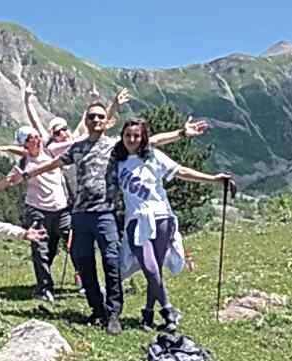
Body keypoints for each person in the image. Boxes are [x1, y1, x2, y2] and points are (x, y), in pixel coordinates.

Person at [12, 100, 127, 335]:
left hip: (105, 213)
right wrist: (29, 174)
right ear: (86, 121)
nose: (96, 120)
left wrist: (181, 133)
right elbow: (54, 163)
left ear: (107, 121)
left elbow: (146, 142)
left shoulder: (115, 146)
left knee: (111, 261)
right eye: (91, 117)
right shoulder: (77, 147)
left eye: (100, 117)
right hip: (80, 215)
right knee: (84, 263)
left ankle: (114, 313)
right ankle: (97, 310)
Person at [113, 118, 233, 332]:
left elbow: (181, 171)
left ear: (143, 137)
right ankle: (168, 311)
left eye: (137, 135)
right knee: (150, 267)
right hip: (136, 220)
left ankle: (148, 314)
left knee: (156, 269)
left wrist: (213, 179)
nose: (132, 139)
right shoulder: (117, 160)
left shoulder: (153, 156)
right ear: (122, 137)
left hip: (162, 217)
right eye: (128, 135)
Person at [0, 125, 74, 303]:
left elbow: (76, 142)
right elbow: (5, 182)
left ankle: (85, 281)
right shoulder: (23, 164)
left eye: (36, 136)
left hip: (62, 209)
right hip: (37, 209)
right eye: (30, 138)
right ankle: (44, 288)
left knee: (75, 242)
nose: (35, 140)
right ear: (24, 145)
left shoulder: (52, 151)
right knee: (40, 249)